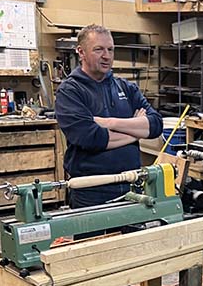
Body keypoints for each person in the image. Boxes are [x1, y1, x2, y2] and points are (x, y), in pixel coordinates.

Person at [55, 23, 163, 208]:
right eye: (99, 49)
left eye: (110, 49)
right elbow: (92, 137)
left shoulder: (126, 87)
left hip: (132, 185)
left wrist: (110, 123)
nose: (106, 56)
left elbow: (155, 125)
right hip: (91, 191)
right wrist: (136, 129)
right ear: (81, 52)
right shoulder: (70, 91)